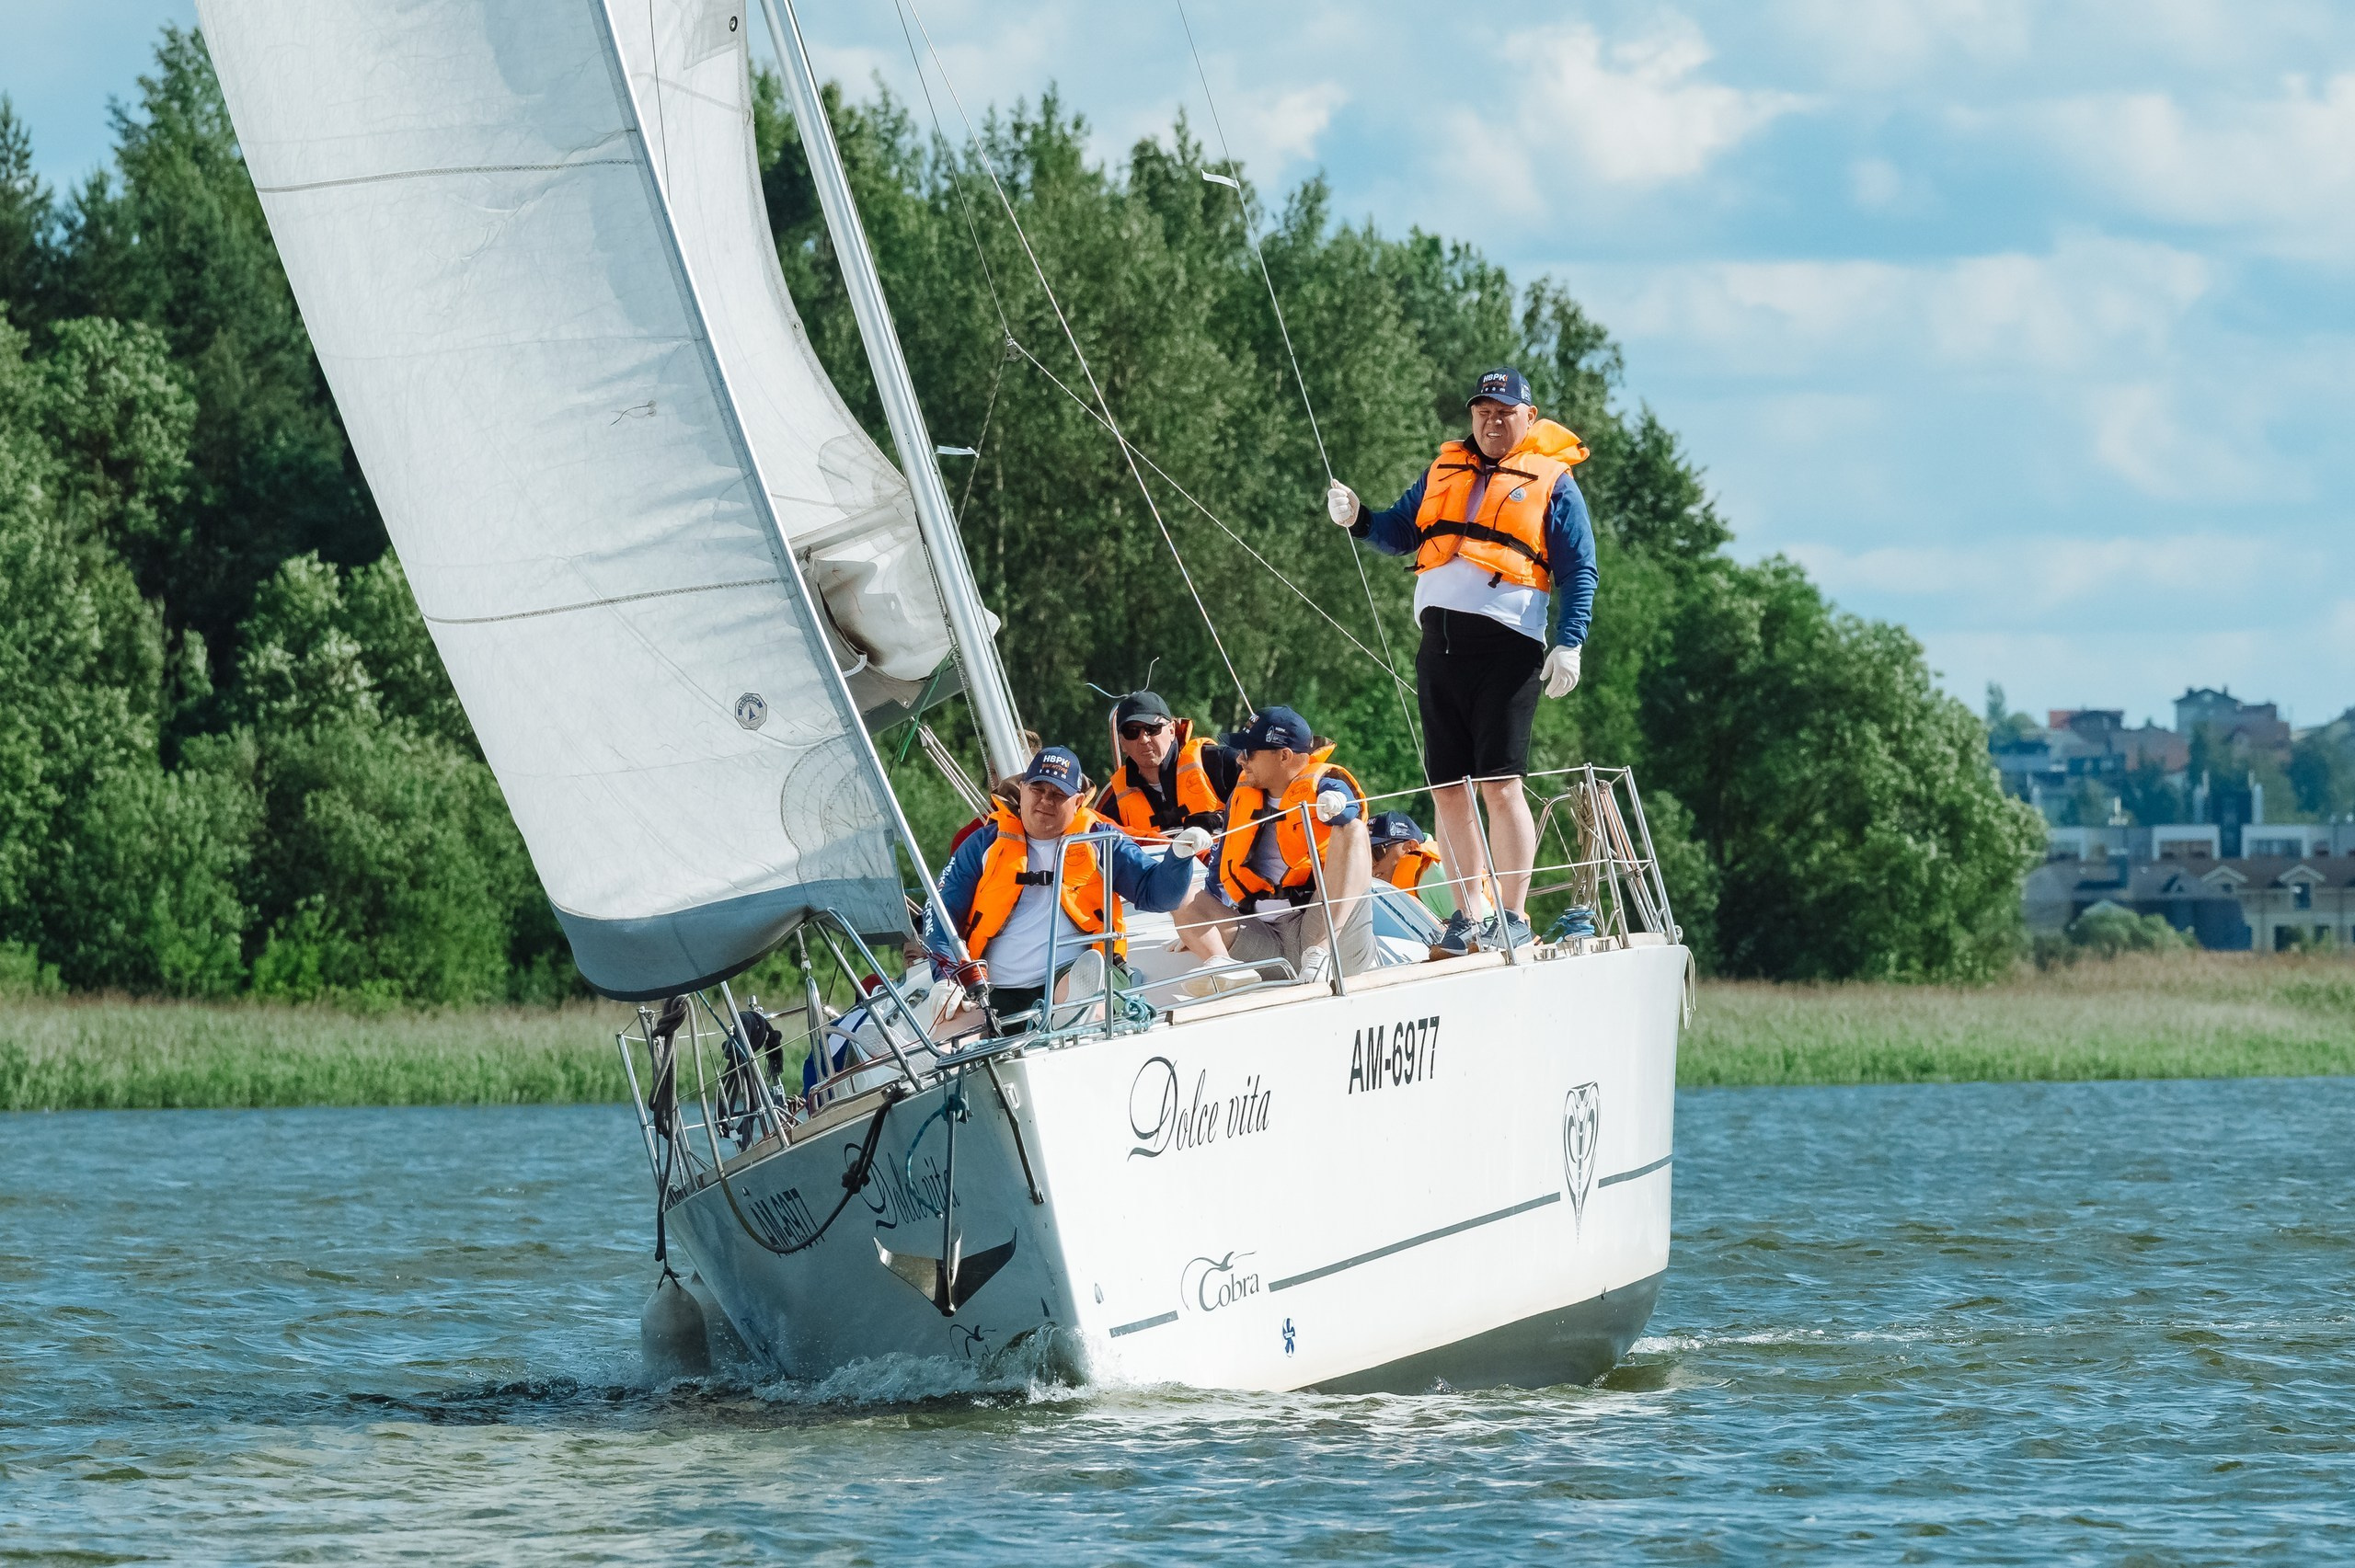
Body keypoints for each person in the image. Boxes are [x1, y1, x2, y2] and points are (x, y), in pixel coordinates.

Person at [1326, 366, 1597, 956]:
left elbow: (1580, 569)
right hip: (1439, 644)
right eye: (1483, 412)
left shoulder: (1554, 482)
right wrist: (1359, 518)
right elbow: (1400, 532)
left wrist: (1569, 642)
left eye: (1504, 412)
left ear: (1528, 417)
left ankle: (1514, 911)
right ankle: (1470, 911)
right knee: (1448, 786)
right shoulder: (1444, 469)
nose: (1492, 421)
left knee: (1500, 784)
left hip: (1508, 644)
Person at [931, 746, 1194, 1034]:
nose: (1045, 801)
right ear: (1022, 790)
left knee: (1081, 1000)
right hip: (996, 989)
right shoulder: (983, 845)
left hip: (1076, 972)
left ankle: (1072, 1022)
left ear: (1078, 801)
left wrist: (1179, 859)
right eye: (1037, 789)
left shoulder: (1101, 841)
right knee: (947, 1038)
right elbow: (940, 915)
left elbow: (1157, 895)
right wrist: (946, 975)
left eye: (1057, 794)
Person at [1168, 705, 1376, 993]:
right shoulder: (1241, 797)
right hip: (1264, 936)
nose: (1240, 760)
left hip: (1319, 924)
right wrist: (1198, 924)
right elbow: (1221, 866)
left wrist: (1336, 803)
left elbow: (1347, 807)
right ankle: (1222, 963)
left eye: (1249, 752)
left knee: (1353, 829)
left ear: (1284, 755)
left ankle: (1320, 953)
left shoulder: (1326, 787)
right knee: (1178, 893)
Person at [1094, 690, 1241, 851]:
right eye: (1132, 732)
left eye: (1152, 729)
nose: (1143, 739)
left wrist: (1219, 819)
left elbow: (1264, 801)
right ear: (1122, 743)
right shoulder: (1114, 800)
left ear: (1171, 730)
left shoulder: (1218, 762)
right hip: (1158, 873)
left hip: (1221, 868)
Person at [1368, 810, 1445, 898]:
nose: (1371, 866)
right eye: (1365, 856)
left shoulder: (1435, 878)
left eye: (1376, 852)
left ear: (1411, 847)